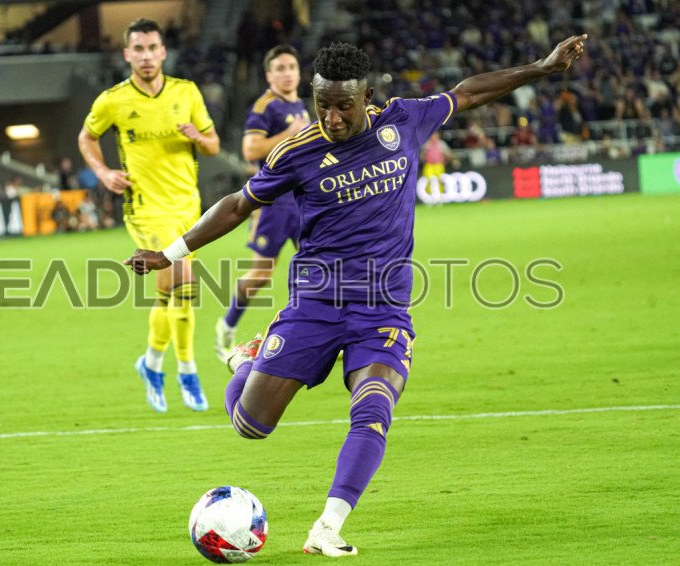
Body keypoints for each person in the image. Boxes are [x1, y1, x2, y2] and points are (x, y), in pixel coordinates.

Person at [126, 35, 588, 556]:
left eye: (343, 106)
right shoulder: (297, 152)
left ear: (366, 97)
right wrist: (170, 253)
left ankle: (328, 526)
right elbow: (237, 205)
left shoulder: (405, 120)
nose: (332, 117)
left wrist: (542, 67)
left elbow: (470, 92)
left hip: (382, 309)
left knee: (373, 406)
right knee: (250, 426)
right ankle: (246, 361)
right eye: (321, 104)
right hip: (315, 304)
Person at [78, 17, 220, 413]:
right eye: (138, 49)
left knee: (169, 292)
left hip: (186, 206)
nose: (146, 56)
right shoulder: (113, 101)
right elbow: (86, 137)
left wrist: (198, 137)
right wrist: (103, 172)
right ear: (127, 54)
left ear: (163, 52)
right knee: (183, 280)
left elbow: (213, 144)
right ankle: (188, 370)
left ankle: (152, 364)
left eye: (152, 48)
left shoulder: (186, 92)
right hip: (145, 209)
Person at [215, 44, 310, 361]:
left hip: (301, 199)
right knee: (261, 274)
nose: (287, 73)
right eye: (280, 68)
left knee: (320, 264)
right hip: (273, 203)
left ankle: (324, 333)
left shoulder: (298, 105)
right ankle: (227, 326)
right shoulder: (264, 107)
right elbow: (250, 150)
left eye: (292, 67)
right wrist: (288, 134)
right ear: (269, 75)